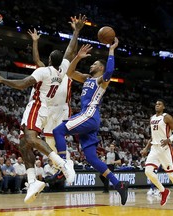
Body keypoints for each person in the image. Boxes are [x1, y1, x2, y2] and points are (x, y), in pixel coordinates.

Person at [0, 14, 86, 204]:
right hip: (49, 110)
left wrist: (2, 80)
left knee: (31, 139)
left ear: (49, 59)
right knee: (23, 143)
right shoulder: (63, 68)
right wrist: (76, 31)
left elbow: (22, 84)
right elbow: (69, 50)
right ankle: (33, 180)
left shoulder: (43, 71)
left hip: (40, 107)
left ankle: (62, 163)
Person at [53, 41, 128, 206]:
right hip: (88, 118)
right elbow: (70, 72)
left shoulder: (102, 80)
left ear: (100, 68)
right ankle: (119, 184)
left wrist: (111, 50)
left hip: (89, 115)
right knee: (92, 158)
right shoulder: (87, 78)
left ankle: (62, 167)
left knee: (58, 131)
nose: (91, 65)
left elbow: (110, 71)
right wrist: (78, 57)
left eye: (94, 64)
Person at [140, 99, 173, 210]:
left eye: (159, 104)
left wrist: (168, 140)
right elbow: (153, 136)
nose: (157, 105)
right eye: (156, 104)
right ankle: (163, 191)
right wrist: (146, 148)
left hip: (165, 149)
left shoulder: (167, 117)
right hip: (154, 148)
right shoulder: (152, 118)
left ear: (163, 107)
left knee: (171, 175)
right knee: (148, 171)